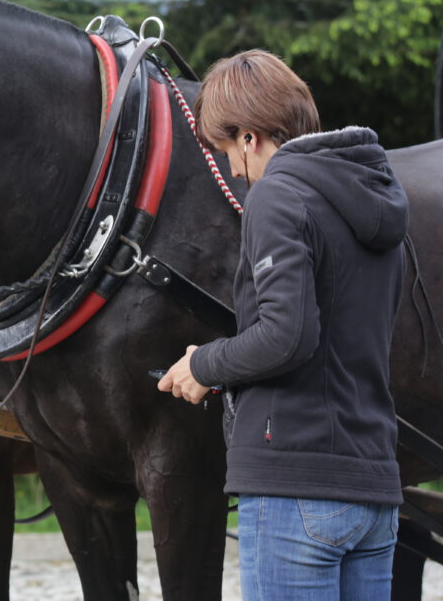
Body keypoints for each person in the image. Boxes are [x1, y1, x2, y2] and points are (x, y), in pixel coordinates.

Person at [157, 49, 408, 599]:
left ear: (249, 137)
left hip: (297, 488)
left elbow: (286, 335)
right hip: (374, 489)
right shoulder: (376, 199)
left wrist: (203, 363)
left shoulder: (278, 194)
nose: (234, 171)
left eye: (226, 151)